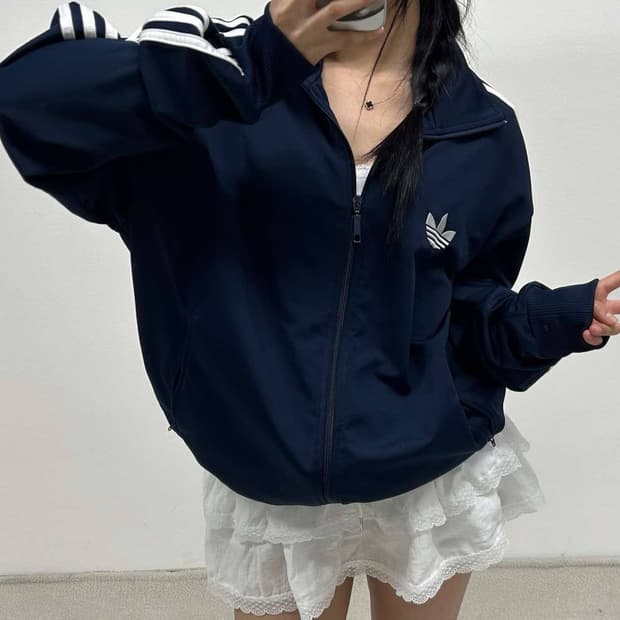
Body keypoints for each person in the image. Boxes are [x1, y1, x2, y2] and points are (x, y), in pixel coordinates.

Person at [0, 1, 618, 618]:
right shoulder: (212, 82)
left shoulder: (482, 128)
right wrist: (256, 63)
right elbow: (24, 101)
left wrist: (556, 319)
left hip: (429, 476)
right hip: (268, 473)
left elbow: (467, 315)